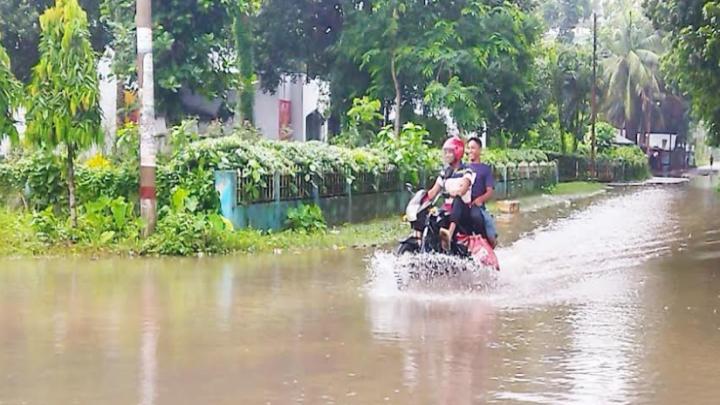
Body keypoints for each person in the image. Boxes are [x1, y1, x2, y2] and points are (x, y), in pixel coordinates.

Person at [426, 136, 475, 252]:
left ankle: (449, 233)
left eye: (450, 152)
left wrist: (456, 192)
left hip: (464, 211)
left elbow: (464, 188)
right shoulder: (445, 172)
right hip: (448, 210)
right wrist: (420, 199)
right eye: (445, 152)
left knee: (458, 199)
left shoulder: (467, 170)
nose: (447, 155)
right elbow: (433, 192)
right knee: (433, 217)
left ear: (457, 152)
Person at [466, 137, 498, 248]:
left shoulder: (485, 169)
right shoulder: (463, 168)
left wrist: (479, 200)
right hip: (462, 202)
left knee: (478, 218)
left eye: (473, 148)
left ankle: (485, 241)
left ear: (479, 150)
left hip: (476, 205)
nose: (470, 151)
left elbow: (490, 191)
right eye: (469, 148)